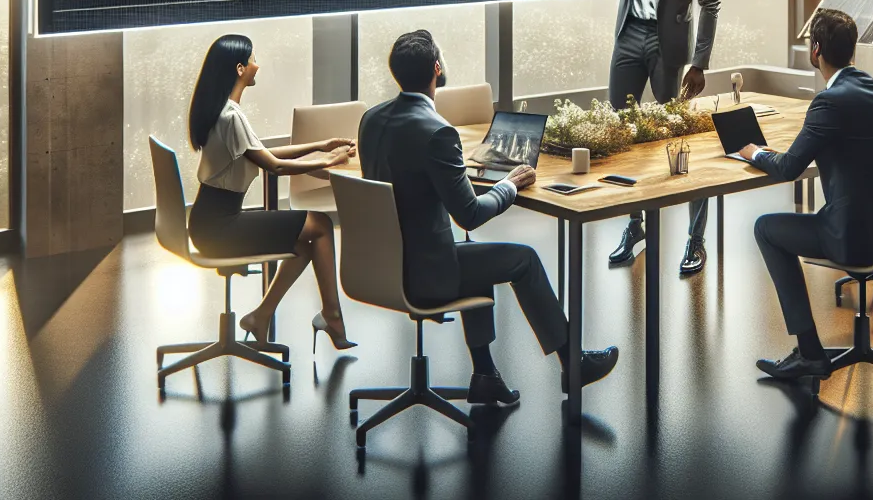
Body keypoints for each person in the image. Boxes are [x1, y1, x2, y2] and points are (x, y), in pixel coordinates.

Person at [358, 30, 619, 406]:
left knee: (472, 257)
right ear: (437, 68)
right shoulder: (437, 132)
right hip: (425, 275)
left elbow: (409, 178)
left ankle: (485, 375)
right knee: (522, 259)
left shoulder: (371, 119)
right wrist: (509, 185)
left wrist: (454, 173)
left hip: (379, 266)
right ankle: (572, 363)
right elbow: (470, 214)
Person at [529, 0, 723, 275]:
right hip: (630, 37)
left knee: (679, 140)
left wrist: (700, 62)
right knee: (619, 132)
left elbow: (710, 5)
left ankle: (695, 239)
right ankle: (633, 226)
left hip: (669, 47)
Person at [737, 9, 873, 379]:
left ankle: (811, 352)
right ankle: (808, 352)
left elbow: (789, 168)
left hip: (849, 239)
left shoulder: (829, 102)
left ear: (816, 50)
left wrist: (755, 153)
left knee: (765, 228)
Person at [188, 34, 358, 352]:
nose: (257, 65)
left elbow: (265, 152)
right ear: (240, 69)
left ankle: (261, 315)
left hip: (210, 220)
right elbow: (274, 166)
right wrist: (329, 160)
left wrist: (320, 145)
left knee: (304, 245)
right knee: (320, 225)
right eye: (253, 60)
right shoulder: (231, 116)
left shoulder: (223, 112)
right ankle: (332, 315)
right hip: (220, 227)